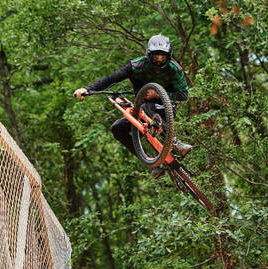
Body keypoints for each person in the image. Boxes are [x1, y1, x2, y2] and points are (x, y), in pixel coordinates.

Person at [74, 34, 192, 179]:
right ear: (149, 55)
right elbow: (111, 79)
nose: (159, 61)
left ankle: (175, 143)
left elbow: (183, 95)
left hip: (165, 107)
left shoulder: (175, 69)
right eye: (156, 57)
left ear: (169, 55)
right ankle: (152, 164)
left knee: (147, 107)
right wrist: (87, 89)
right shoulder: (137, 65)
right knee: (117, 128)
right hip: (141, 109)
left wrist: (157, 95)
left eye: (162, 57)